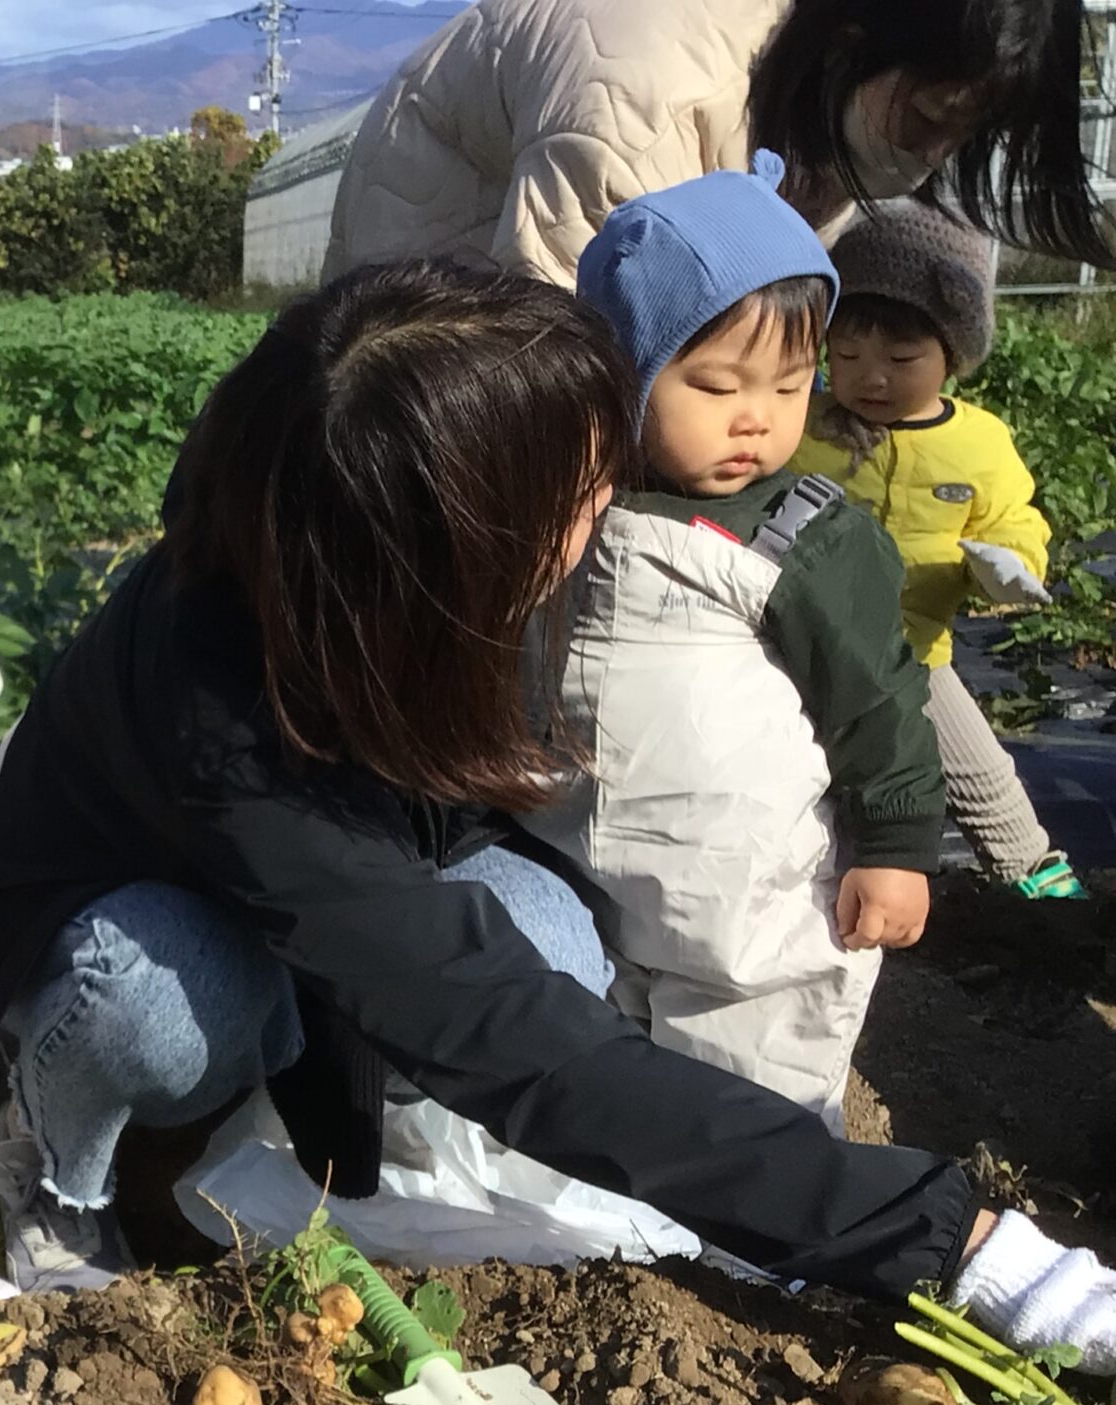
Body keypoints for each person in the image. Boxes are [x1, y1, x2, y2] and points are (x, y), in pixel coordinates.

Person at [0, 258, 1116, 1373]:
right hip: (98, 916)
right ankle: (55, 1173)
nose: (607, 510)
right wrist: (958, 1247)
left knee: (552, 942)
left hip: (311, 891)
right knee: (166, 1009)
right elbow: (502, 1038)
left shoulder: (337, 535)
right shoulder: (232, 718)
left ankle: (268, 1112)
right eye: (580, 495)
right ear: (443, 543)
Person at [524, 158, 943, 1131]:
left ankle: (768, 1214)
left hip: (748, 895)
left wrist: (894, 848)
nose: (756, 416)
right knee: (597, 1083)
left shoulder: (804, 534)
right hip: (578, 863)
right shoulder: (571, 505)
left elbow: (879, 700)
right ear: (621, 376)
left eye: (791, 386)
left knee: (752, 1094)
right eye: (716, 385)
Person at [326, 0, 1116, 289]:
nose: (935, 155)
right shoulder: (652, 102)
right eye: (928, 118)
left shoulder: (819, 100)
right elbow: (561, 351)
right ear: (853, 40)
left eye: (965, 135)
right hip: (436, 259)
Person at [789, 201, 1081, 897]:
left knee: (982, 778)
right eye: (847, 355)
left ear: (953, 353)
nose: (872, 378)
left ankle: (1042, 893)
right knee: (806, 783)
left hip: (916, 654)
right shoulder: (805, 426)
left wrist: (1010, 564)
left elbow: (1012, 517)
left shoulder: (979, 443)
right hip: (801, 649)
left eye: (901, 359)